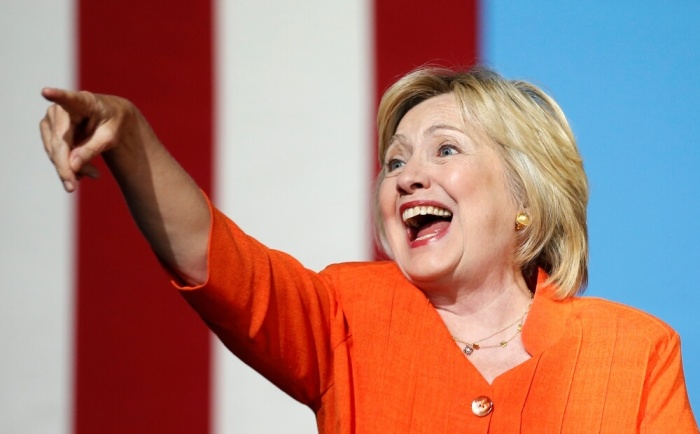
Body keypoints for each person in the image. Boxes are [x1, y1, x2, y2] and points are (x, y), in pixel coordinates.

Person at [40, 66, 697, 432]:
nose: (407, 175)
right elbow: (216, 260)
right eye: (393, 162)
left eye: (445, 150)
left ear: (527, 196)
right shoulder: (345, 314)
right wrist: (129, 140)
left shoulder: (635, 352)